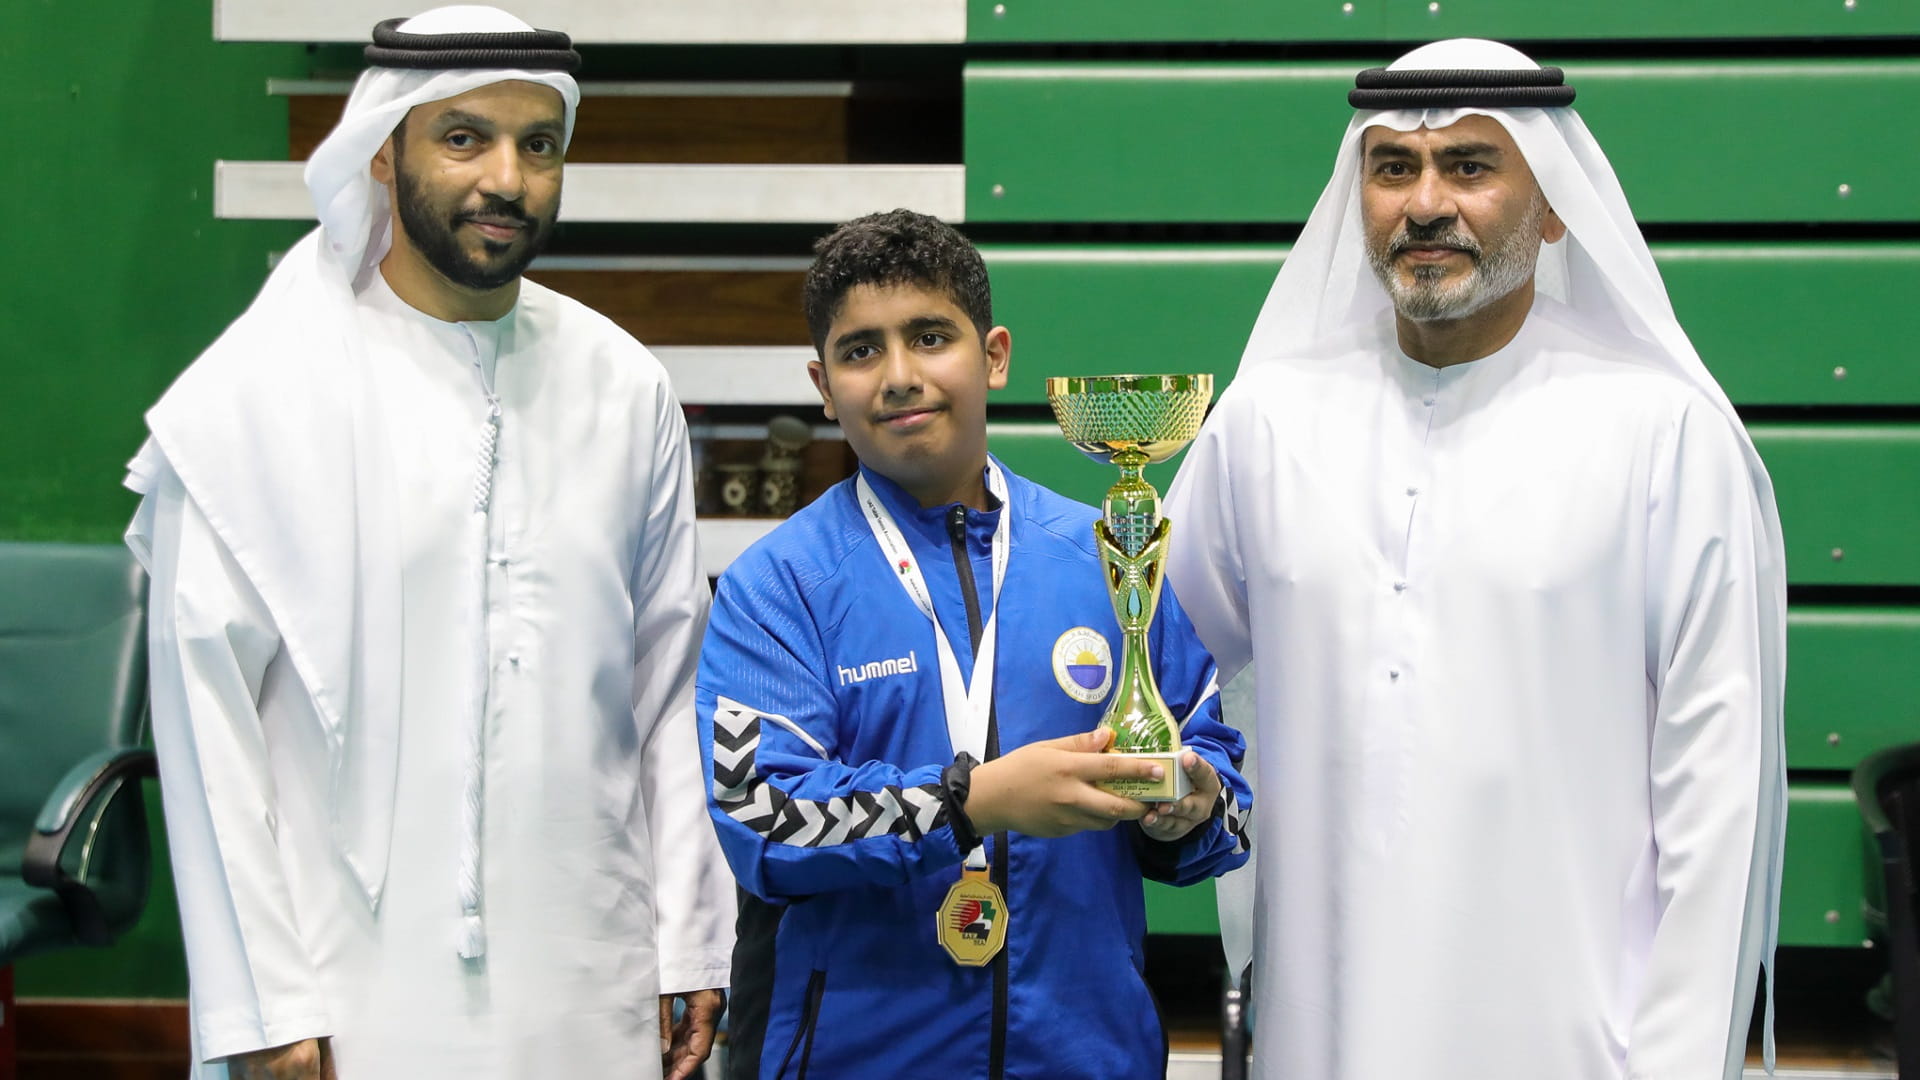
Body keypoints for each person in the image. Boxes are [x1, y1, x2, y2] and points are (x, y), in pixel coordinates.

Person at [122, 8, 733, 1078]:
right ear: (384, 148)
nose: (508, 176)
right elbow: (206, 723)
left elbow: (668, 684)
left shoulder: (623, 385)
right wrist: (263, 1002)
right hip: (346, 984)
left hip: (588, 976)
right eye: (465, 138)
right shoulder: (256, 399)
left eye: (539, 144)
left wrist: (686, 932)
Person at [1164, 38, 1786, 1080]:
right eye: (1394, 169)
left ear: (1552, 206)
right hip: (1323, 1030)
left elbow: (1716, 798)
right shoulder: (1266, 422)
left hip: (1580, 1041)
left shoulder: (1662, 432)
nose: (1426, 204)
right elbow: (1156, 672)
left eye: (1470, 166)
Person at [695, 209, 1251, 1080]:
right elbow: (763, 822)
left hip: (1084, 1055)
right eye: (860, 350)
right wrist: (975, 802)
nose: (900, 376)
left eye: (928, 337)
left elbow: (1224, 793)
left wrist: (1190, 806)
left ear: (993, 355)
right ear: (822, 383)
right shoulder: (779, 585)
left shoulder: (1107, 554)